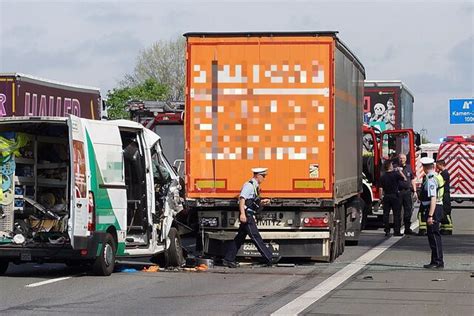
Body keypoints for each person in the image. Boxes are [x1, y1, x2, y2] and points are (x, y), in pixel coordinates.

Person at [222, 168, 279, 268]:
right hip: (247, 215)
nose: (264, 179)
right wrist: (242, 214)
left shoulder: (254, 186)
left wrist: (262, 202)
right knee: (256, 237)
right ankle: (269, 258)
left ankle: (228, 259)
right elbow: (242, 199)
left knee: (239, 238)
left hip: (249, 214)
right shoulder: (248, 185)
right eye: (263, 176)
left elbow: (251, 202)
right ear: (257, 175)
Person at [419, 157, 444, 269]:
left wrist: (430, 215)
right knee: (433, 236)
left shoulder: (430, 178)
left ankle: (438, 261)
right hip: (436, 207)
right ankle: (434, 260)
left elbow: (433, 197)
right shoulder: (436, 175)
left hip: (433, 208)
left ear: (424, 167)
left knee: (434, 236)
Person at [379, 160, 407, 237]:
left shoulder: (383, 176)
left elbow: (380, 188)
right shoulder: (395, 174)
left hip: (386, 196)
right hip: (395, 196)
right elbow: (404, 179)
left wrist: (380, 197)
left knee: (386, 214)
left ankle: (387, 230)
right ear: (390, 166)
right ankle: (396, 231)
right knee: (396, 214)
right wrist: (400, 171)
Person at [398, 154, 417, 235]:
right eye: (400, 158)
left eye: (403, 158)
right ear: (398, 159)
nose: (402, 160)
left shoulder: (409, 167)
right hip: (398, 192)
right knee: (398, 211)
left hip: (407, 192)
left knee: (408, 210)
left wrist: (415, 191)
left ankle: (407, 228)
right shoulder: (395, 168)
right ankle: (397, 230)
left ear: (405, 159)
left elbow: (412, 179)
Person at [436, 159, 453, 235]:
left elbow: (441, 183)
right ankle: (443, 228)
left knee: (446, 210)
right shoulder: (442, 173)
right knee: (443, 211)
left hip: (445, 194)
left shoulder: (445, 173)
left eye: (437, 165)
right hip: (443, 193)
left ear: (440, 165)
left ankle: (448, 228)